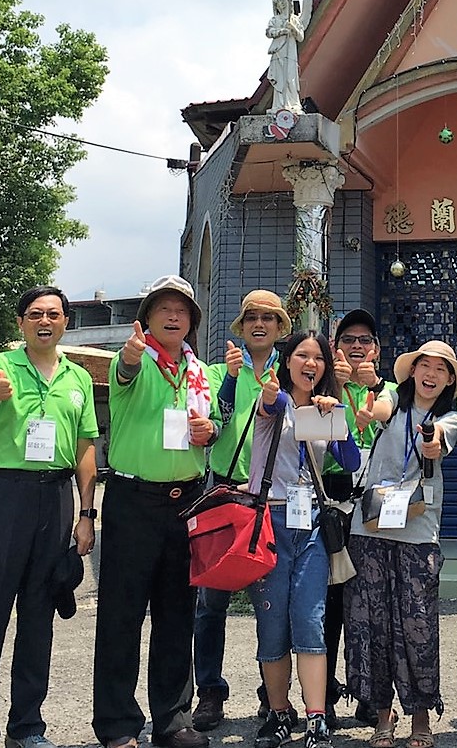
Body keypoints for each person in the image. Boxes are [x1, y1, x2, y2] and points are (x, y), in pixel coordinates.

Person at [0, 286, 99, 748]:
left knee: (39, 616)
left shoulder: (79, 378)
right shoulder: (0, 363)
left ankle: (27, 728)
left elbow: (85, 448)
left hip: (56, 496)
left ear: (66, 323)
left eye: (54, 314)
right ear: (21, 322)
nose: (45, 321)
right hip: (6, 494)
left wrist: (86, 513)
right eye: (36, 313)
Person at [92, 275, 220, 748]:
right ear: (146, 318)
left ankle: (173, 719)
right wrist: (129, 356)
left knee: (177, 614)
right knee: (121, 615)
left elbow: (211, 423)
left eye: (181, 310)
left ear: (191, 321)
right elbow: (124, 374)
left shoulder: (198, 371)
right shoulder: (133, 359)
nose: (172, 316)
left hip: (186, 501)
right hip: (133, 500)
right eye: (163, 308)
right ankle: (117, 724)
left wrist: (210, 430)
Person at [344, 340, 457, 748]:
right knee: (373, 624)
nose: (431, 374)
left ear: (448, 380)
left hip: (418, 533)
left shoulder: (450, 416)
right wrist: (370, 409)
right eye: (424, 365)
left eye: (440, 369)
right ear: (412, 371)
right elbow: (381, 406)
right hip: (371, 528)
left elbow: (438, 440)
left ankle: (421, 718)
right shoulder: (394, 397)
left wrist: (430, 441)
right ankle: (382, 717)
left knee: (417, 626)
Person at [251, 331, 360, 748]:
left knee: (311, 620)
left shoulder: (326, 409)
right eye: (302, 355)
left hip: (312, 521)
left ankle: (317, 720)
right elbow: (269, 403)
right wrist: (271, 394)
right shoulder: (274, 402)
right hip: (272, 520)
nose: (310, 363)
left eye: (318, 358)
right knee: (272, 624)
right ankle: (279, 713)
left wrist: (338, 417)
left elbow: (350, 461)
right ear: (287, 360)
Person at [193, 290, 291, 732]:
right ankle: (210, 692)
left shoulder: (288, 371)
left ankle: (271, 695)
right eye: (251, 317)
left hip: (272, 497)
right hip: (225, 491)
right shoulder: (218, 371)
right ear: (241, 325)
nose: (259, 324)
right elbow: (218, 421)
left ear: (280, 327)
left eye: (268, 318)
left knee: (269, 601)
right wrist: (232, 378)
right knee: (211, 602)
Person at [325, 308, 392, 727]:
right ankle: (324, 695)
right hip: (332, 499)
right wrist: (334, 389)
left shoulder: (393, 391)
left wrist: (375, 388)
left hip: (378, 501)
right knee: (330, 605)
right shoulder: (324, 389)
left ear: (377, 350)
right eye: (348, 339)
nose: (356, 346)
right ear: (335, 348)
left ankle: (371, 694)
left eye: (364, 340)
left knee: (372, 605)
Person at [266, 0, 315, 115]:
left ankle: (292, 103)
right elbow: (269, 32)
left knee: (290, 77)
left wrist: (292, 27)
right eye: (279, 1)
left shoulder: (294, 19)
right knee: (280, 78)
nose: (282, 3)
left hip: (290, 54)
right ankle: (279, 105)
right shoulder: (275, 20)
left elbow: (300, 37)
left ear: (289, 3)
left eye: (284, 0)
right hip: (278, 52)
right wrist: (281, 31)